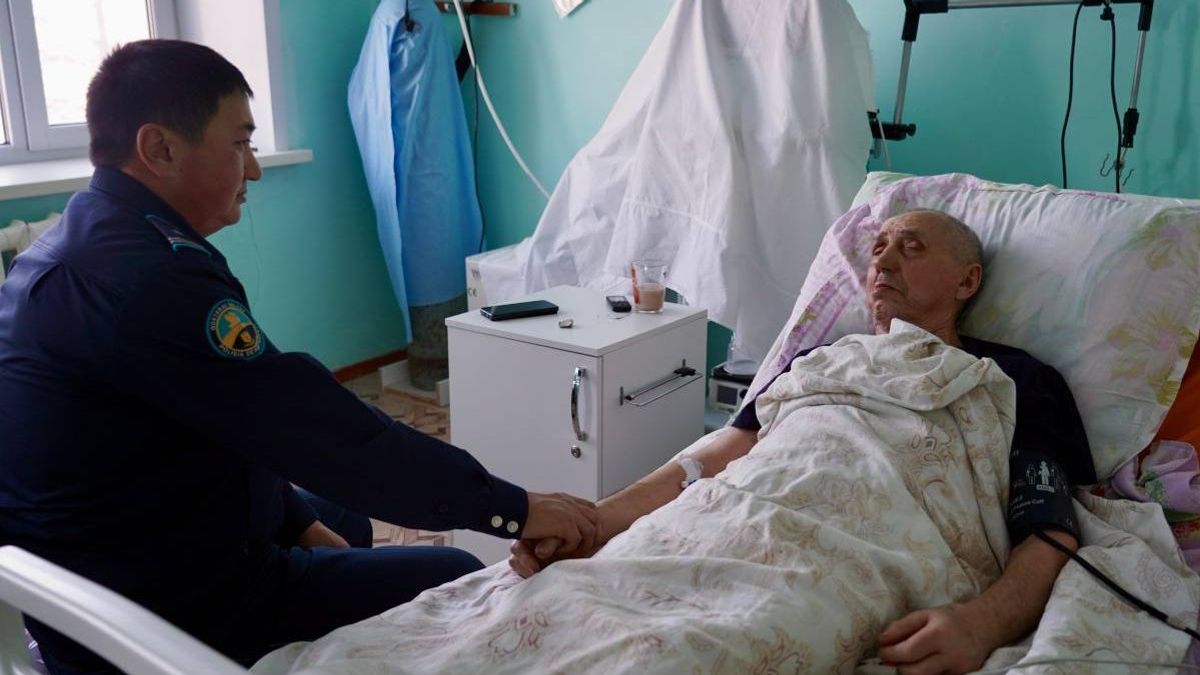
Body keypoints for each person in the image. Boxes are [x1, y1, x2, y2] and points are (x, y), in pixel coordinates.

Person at [0, 39, 598, 674]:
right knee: (452, 573)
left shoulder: (88, 239)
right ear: (160, 149)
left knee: (339, 518)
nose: (255, 170)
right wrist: (513, 508)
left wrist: (296, 525)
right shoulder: (147, 282)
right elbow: (322, 433)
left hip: (122, 551)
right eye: (240, 144)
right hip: (155, 611)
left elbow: (233, 417)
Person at [509, 209, 1098, 675]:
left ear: (967, 281)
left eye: (912, 247)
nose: (883, 258)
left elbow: (1047, 526)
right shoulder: (820, 360)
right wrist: (596, 522)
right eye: (878, 247)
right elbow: (713, 457)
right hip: (723, 518)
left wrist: (982, 625)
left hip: (847, 555)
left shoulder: (1013, 380)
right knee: (551, 617)